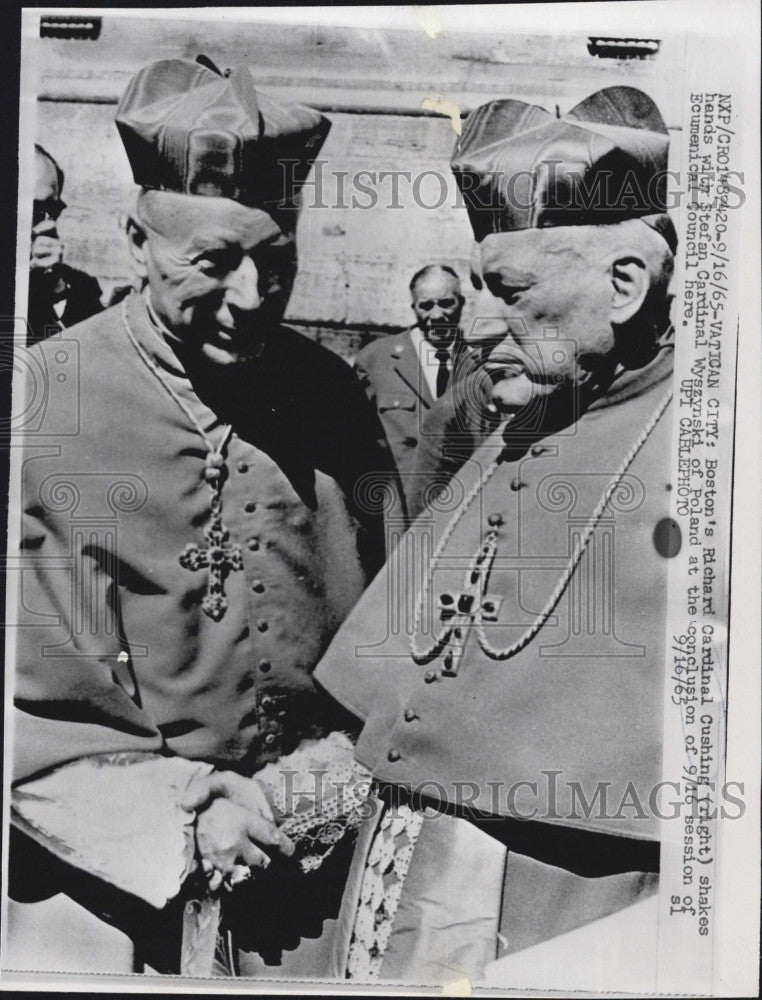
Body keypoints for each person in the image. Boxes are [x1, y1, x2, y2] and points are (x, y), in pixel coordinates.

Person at [9, 56, 394, 978]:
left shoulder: (329, 394)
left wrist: (319, 783)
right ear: (136, 239)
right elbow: (22, 701)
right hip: (101, 886)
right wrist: (190, 812)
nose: (254, 298)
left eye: (279, 260)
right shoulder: (44, 403)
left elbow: (390, 624)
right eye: (214, 263)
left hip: (309, 862)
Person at [314, 86, 678, 983]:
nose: (474, 325)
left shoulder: (709, 449)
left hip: (573, 920)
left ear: (624, 286)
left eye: (504, 290)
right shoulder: (524, 418)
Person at [354, 265, 466, 489]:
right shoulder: (376, 359)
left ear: (461, 304)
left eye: (446, 303)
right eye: (426, 306)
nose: (436, 315)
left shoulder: (479, 362)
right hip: (401, 506)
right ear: (413, 307)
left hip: (461, 503)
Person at [27, 145, 103, 345]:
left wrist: (56, 290)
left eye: (53, 208)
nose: (49, 223)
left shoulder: (77, 289)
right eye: (33, 210)